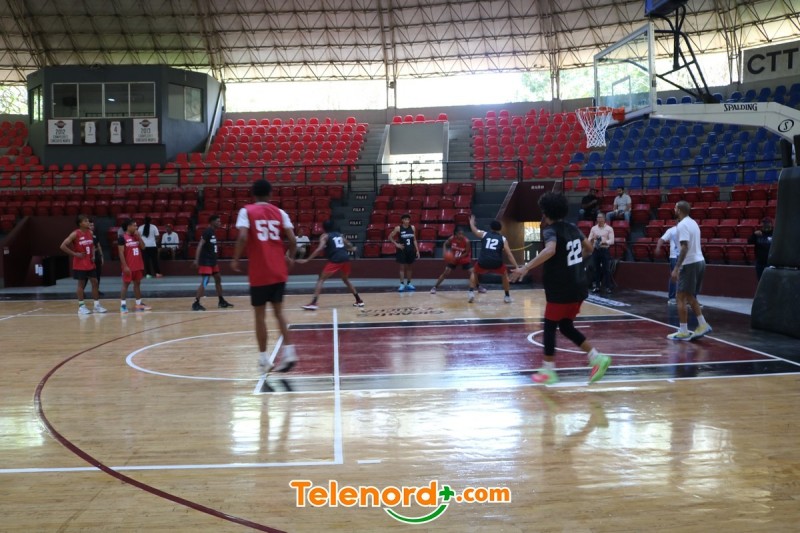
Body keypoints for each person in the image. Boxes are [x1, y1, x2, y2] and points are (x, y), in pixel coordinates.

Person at [509, 192, 611, 385]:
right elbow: (589, 249)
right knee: (565, 326)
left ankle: (548, 370)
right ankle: (597, 358)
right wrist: (573, 261)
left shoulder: (550, 231)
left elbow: (550, 250)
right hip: (578, 287)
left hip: (561, 288)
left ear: (545, 212)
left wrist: (526, 267)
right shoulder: (573, 228)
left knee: (549, 326)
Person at [232, 179, 298, 373]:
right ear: (270, 194)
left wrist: (235, 259)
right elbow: (293, 240)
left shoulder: (246, 211)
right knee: (279, 312)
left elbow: (243, 237)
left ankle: (264, 359)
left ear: (253, 194)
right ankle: (289, 352)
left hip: (259, 271)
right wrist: (290, 257)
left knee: (259, 316)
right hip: (278, 270)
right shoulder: (280, 212)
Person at [668, 200, 712, 340]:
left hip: (690, 263)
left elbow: (684, 247)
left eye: (675, 208)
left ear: (679, 210)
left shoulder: (682, 225)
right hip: (700, 261)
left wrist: (676, 268)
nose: (674, 210)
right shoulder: (693, 223)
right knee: (689, 295)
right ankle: (702, 324)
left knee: (680, 296)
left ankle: (683, 331)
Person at [298, 220, 364, 310]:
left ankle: (313, 303)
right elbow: (348, 244)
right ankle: (359, 300)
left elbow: (319, 249)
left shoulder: (325, 236)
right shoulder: (339, 235)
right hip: (345, 258)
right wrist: (352, 248)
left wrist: (307, 259)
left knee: (321, 279)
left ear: (323, 228)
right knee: (345, 280)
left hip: (336, 259)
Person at [60, 214, 107, 315]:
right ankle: (81, 307)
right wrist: (75, 254)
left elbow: (93, 246)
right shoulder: (75, 234)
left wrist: (93, 255)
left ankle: (96, 305)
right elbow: (63, 246)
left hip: (90, 262)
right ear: (80, 223)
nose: (88, 222)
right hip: (80, 263)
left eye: (88, 221)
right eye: (85, 221)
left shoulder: (90, 232)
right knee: (81, 284)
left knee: (95, 282)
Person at [467, 215, 519, 304]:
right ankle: (507, 296)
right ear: (500, 229)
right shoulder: (503, 239)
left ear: (490, 228)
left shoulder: (484, 234)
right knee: (504, 274)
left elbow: (474, 231)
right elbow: (509, 254)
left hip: (483, 261)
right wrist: (516, 267)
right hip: (496, 262)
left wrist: (471, 223)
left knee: (474, 272)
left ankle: (471, 292)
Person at [192, 215, 234, 311]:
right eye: (218, 221)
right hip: (206, 261)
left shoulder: (213, 232)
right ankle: (196, 302)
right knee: (205, 281)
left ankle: (221, 301)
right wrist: (196, 259)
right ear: (212, 222)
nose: (220, 223)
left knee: (218, 278)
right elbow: (200, 245)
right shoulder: (207, 231)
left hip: (212, 261)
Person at [430, 226, 486, 294]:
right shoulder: (451, 238)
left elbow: (466, 252)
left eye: (462, 234)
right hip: (454, 258)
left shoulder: (466, 241)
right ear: (456, 234)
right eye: (460, 234)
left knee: (472, 272)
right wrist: (444, 253)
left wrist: (459, 256)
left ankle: (479, 287)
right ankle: (435, 287)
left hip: (464, 258)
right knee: (446, 272)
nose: (462, 235)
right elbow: (445, 244)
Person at [118, 218, 152, 313]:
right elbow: (121, 253)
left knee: (137, 284)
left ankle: (138, 303)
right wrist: (125, 266)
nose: (136, 227)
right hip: (129, 266)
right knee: (125, 285)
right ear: (128, 227)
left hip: (138, 265)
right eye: (134, 225)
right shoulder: (122, 238)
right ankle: (123, 305)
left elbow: (143, 247)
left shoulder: (136, 237)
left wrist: (139, 237)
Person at [388, 213, 420, 292]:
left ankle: (409, 283)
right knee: (402, 268)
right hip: (402, 251)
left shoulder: (412, 228)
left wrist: (417, 250)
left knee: (409, 267)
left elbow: (414, 240)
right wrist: (397, 244)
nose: (407, 221)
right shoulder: (398, 228)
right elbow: (390, 237)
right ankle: (402, 284)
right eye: (405, 219)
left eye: (408, 219)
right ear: (402, 220)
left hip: (410, 250)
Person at [587, 213, 614, 294]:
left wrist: (604, 241)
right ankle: (597, 286)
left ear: (604, 219)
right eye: (597, 217)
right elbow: (589, 240)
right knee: (596, 269)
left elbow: (612, 241)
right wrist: (593, 238)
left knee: (606, 269)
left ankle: (608, 287)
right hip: (596, 250)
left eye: (600, 217)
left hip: (604, 250)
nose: (598, 219)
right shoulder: (593, 228)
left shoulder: (609, 228)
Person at [655, 225, 679, 304]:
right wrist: (658, 248)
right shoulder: (672, 230)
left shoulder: (686, 229)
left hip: (684, 256)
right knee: (674, 276)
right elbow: (662, 239)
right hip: (674, 256)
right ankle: (672, 297)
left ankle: (684, 298)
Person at [89, 220, 104, 297]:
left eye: (93, 225)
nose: (92, 227)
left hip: (97, 257)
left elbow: (98, 246)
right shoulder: (84, 235)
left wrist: (101, 256)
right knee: (85, 277)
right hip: (89, 258)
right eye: (91, 225)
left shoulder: (95, 236)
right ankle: (82, 290)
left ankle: (96, 290)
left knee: (98, 274)